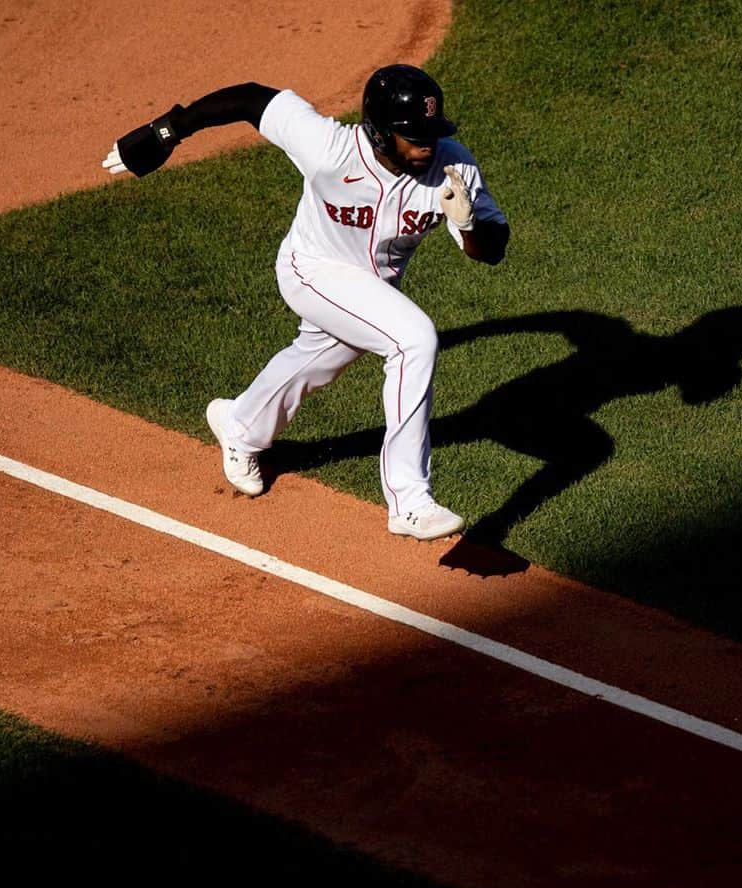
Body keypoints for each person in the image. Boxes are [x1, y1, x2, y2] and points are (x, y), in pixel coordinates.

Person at [102, 65, 509, 540]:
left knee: (318, 360)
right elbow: (251, 99)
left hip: (372, 290)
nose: (427, 144)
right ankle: (409, 501)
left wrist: (466, 225)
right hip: (309, 271)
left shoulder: (452, 166)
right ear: (378, 132)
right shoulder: (330, 147)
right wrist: (168, 129)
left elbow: (493, 249)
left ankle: (239, 425)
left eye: (431, 132)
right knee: (414, 339)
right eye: (413, 135)